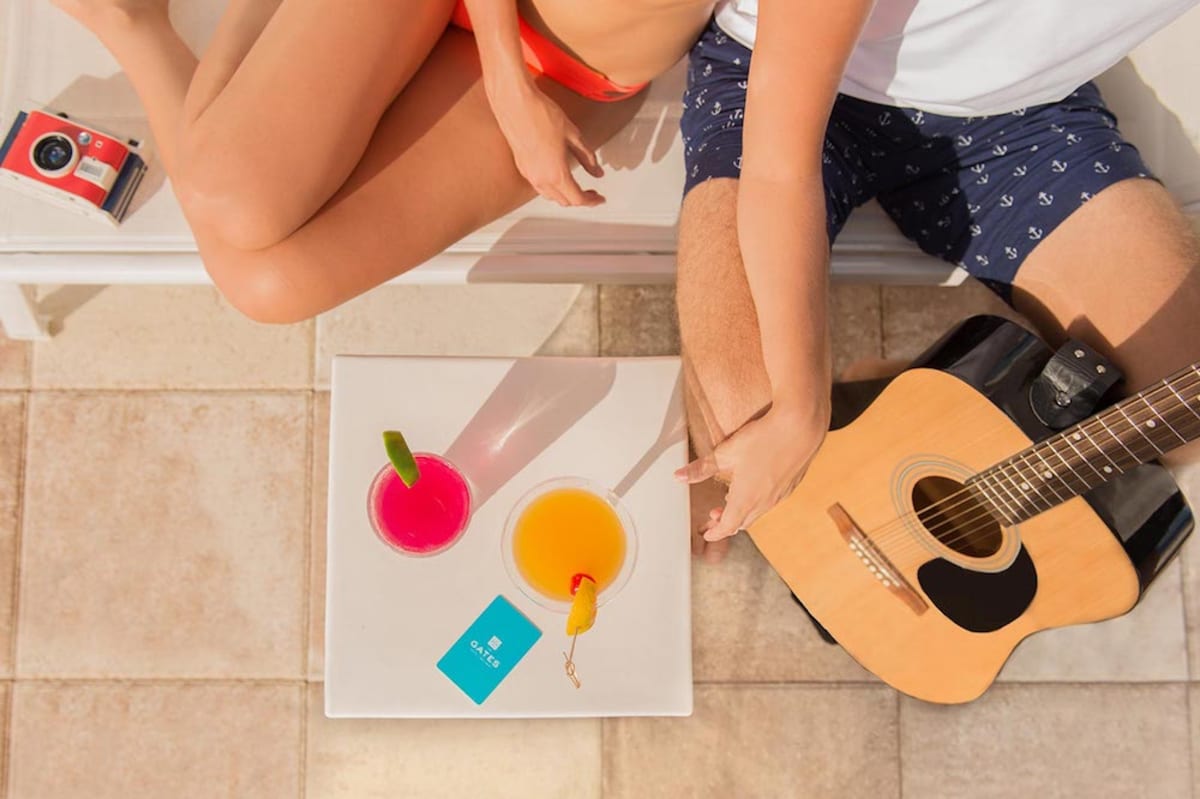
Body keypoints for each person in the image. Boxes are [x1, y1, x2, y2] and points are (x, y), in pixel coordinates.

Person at [674, 0, 1200, 561]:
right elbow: (780, 165)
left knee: (1182, 421)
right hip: (786, 78)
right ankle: (908, 398)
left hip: (1018, 116)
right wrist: (801, 410)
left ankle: (916, 390)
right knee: (747, 413)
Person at [51, 0, 714, 322]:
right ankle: (129, 23)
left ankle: (137, 27)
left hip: (576, 71)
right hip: (506, 62)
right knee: (233, 195)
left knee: (268, 288)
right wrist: (509, 93)